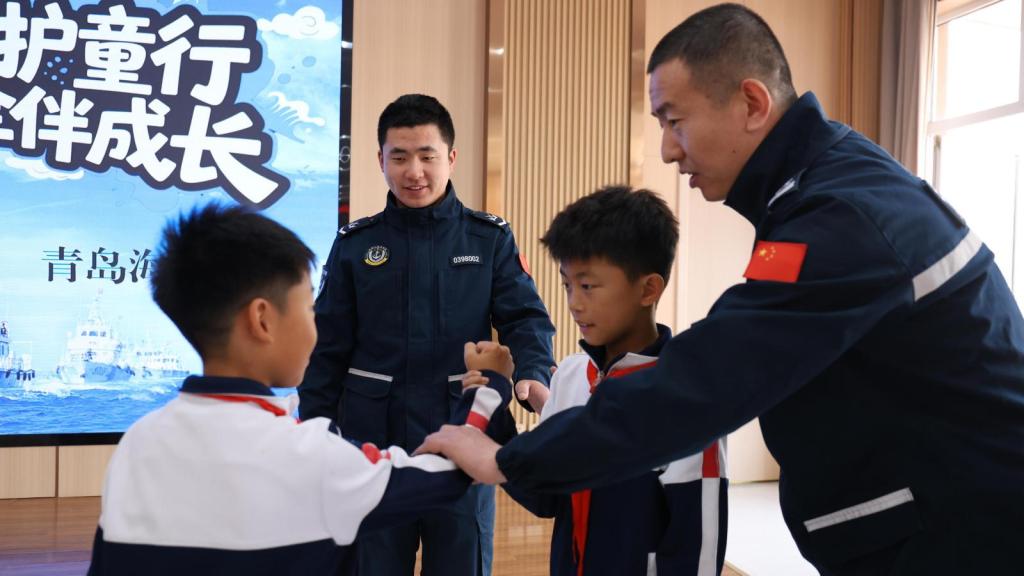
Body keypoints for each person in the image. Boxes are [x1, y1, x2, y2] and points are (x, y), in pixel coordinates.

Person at [418, 4, 1024, 574]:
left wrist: (508, 459)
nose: (666, 149)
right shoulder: (825, 188)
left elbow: (710, 378)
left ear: (751, 103)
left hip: (962, 533)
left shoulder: (841, 216)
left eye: (675, 121)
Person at [86, 204, 519, 576]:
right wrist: (489, 387)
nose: (317, 324)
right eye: (310, 306)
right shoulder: (313, 457)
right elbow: (453, 471)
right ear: (262, 319)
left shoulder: (136, 445)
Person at [299, 94, 556, 576]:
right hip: (371, 448)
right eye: (399, 157)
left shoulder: (488, 239)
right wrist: (313, 432)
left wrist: (533, 372)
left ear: (451, 158)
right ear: (380, 160)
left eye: (426, 156)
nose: (413, 171)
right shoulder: (356, 245)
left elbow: (525, 318)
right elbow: (326, 348)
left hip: (463, 438)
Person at [500, 185, 727, 575]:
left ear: (648, 288)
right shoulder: (571, 375)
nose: (573, 303)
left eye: (588, 286)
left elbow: (697, 548)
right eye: (567, 285)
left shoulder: (688, 396)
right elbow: (545, 496)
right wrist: (492, 415)